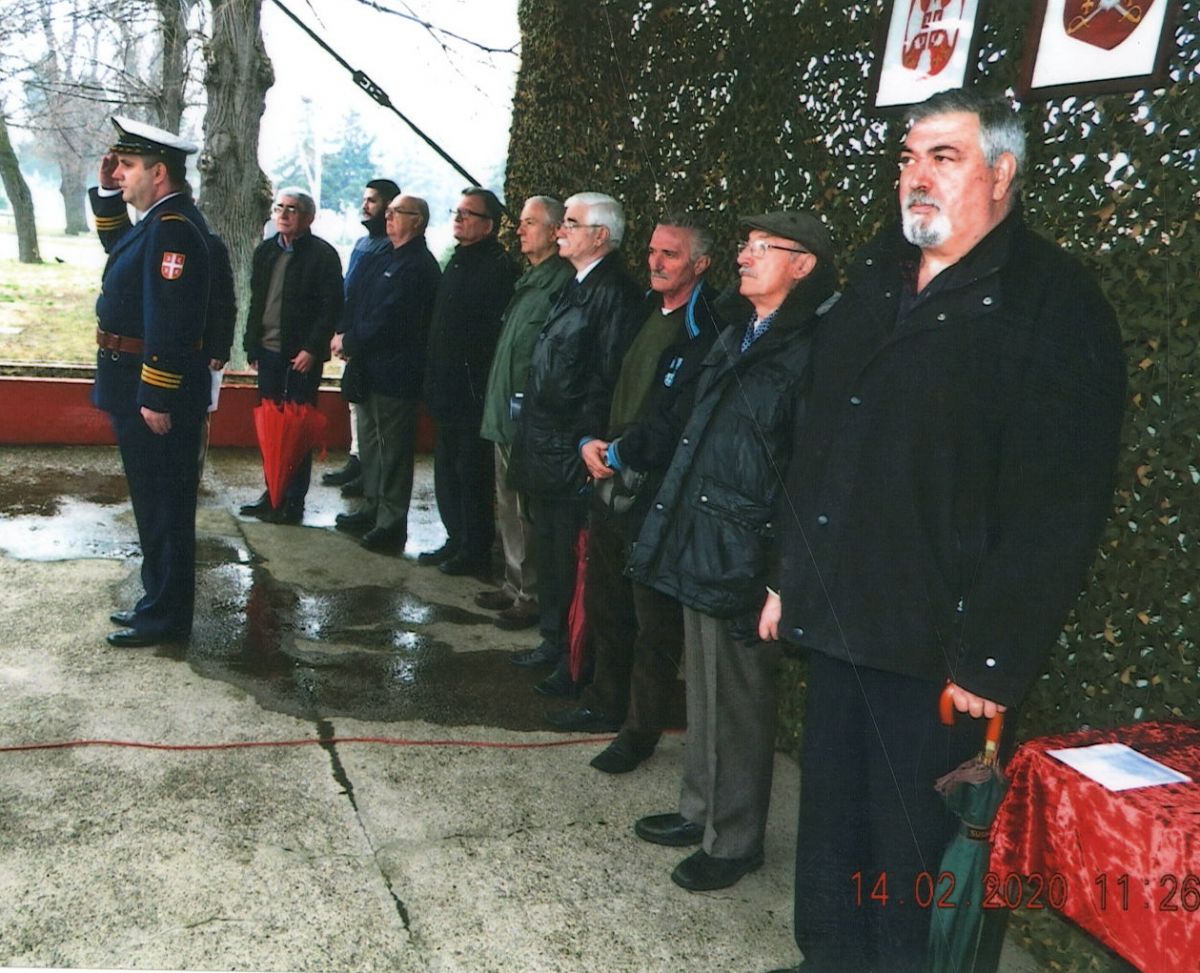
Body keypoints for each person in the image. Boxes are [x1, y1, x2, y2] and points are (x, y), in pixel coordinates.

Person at [759, 91, 1126, 973]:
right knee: (833, 823)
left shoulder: (1055, 303)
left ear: (1002, 172)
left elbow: (1059, 503)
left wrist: (994, 658)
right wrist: (787, 578)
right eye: (908, 157)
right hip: (844, 612)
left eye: (945, 157)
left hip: (940, 651)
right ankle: (830, 961)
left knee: (912, 852)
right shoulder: (876, 282)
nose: (916, 176)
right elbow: (819, 444)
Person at [627, 210, 838, 892]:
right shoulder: (742, 329)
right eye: (745, 244)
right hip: (705, 534)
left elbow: (811, 471)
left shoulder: (813, 348)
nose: (744, 255)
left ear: (802, 265)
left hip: (749, 549)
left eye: (760, 246)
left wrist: (783, 576)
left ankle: (736, 838)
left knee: (740, 698)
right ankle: (700, 809)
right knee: (705, 688)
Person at [545, 213, 725, 776]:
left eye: (670, 254)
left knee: (653, 624)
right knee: (606, 602)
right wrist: (587, 441)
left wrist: (620, 454)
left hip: (656, 492)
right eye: (652, 251)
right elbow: (606, 380)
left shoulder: (709, 327)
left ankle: (639, 732)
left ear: (700, 265)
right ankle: (604, 702)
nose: (655, 261)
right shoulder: (643, 312)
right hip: (607, 478)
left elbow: (678, 418)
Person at [506, 191, 643, 685]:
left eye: (571, 223)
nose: (560, 230)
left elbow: (604, 378)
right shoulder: (578, 284)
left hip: (571, 451)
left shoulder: (613, 294)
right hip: (548, 445)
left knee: (570, 555)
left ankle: (571, 657)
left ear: (600, 236)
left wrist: (588, 437)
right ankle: (553, 641)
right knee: (552, 549)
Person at [88, 115, 213, 648]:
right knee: (153, 503)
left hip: (152, 391)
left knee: (164, 506)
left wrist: (157, 393)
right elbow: (120, 252)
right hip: (134, 385)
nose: (121, 174)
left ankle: (166, 616)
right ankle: (155, 602)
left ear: (159, 173)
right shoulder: (161, 222)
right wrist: (105, 191)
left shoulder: (174, 229)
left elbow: (171, 318)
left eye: (130, 166)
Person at [474, 195, 572, 629]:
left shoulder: (558, 286)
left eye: (530, 223)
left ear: (555, 232)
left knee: (525, 511)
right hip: (506, 418)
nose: (520, 230)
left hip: (526, 422)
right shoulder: (532, 281)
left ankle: (530, 594)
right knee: (509, 507)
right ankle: (515, 585)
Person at [332, 195, 441, 554]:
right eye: (389, 212)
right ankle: (373, 506)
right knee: (371, 446)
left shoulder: (418, 266)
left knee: (393, 451)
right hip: (369, 368)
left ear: (418, 222)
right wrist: (346, 335)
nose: (389, 218)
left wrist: (351, 339)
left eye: (397, 213)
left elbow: (392, 318)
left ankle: (392, 522)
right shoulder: (386, 256)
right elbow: (362, 302)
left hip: (397, 372)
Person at [418, 188, 518, 577]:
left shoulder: (498, 268)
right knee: (446, 471)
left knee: (471, 475)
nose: (458, 219)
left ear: (489, 225)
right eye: (456, 211)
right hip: (446, 390)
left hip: (472, 395)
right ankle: (455, 538)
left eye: (468, 214)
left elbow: (487, 339)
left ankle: (475, 549)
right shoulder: (458, 260)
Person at [239, 188, 344, 525]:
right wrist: (250, 345)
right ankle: (272, 493)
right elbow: (256, 302)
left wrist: (313, 349)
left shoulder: (323, 255)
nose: (283, 214)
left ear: (308, 217)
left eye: (293, 209)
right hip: (267, 352)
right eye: (279, 208)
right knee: (271, 427)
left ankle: (292, 501)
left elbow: (331, 308)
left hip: (301, 356)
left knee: (296, 430)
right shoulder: (266, 251)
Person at [323, 177, 401, 493]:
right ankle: (358, 461)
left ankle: (366, 468)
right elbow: (349, 290)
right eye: (365, 199)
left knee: (371, 412)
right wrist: (341, 330)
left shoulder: (390, 250)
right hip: (351, 335)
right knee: (356, 404)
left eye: (372, 200)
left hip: (370, 341)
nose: (365, 206)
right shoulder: (361, 244)